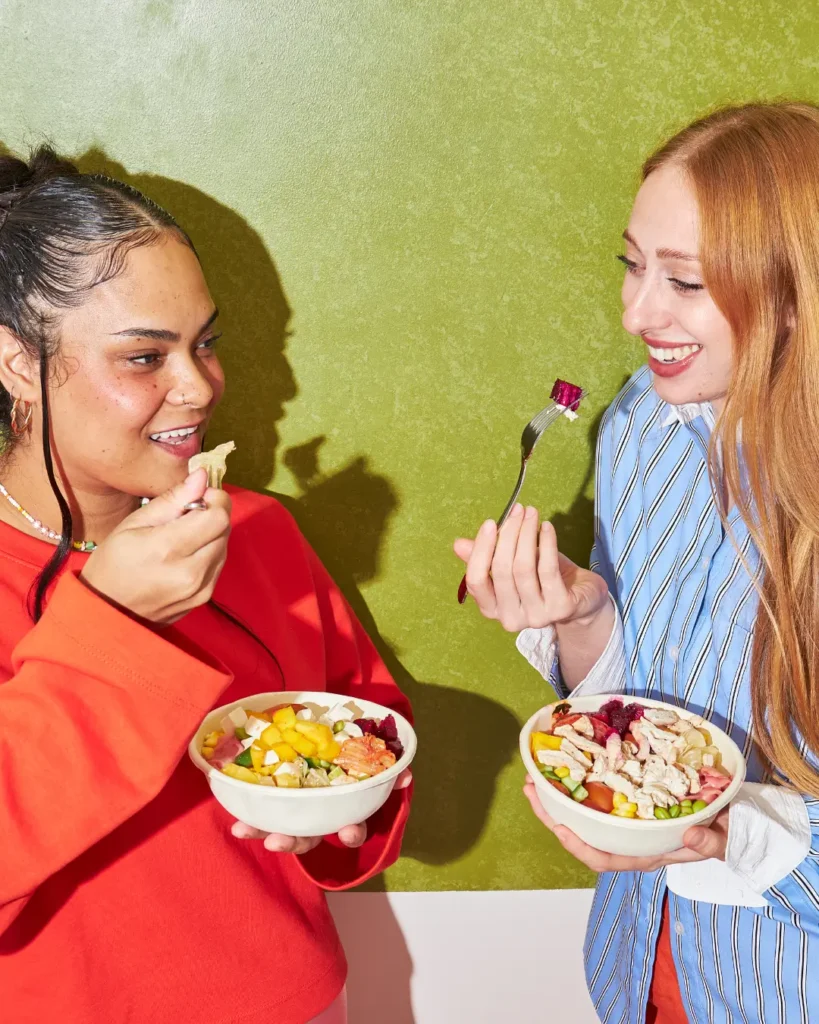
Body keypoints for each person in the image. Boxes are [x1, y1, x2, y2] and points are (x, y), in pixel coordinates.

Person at [0, 147, 412, 1024]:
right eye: (145, 357)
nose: (199, 387)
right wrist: (112, 623)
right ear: (16, 365)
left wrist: (343, 816)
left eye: (205, 343)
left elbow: (363, 720)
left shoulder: (259, 532)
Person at [455, 102, 819, 1023]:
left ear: (790, 294)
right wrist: (580, 615)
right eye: (631, 264)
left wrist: (737, 834)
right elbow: (641, 708)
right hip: (639, 960)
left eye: (683, 282)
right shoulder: (637, 426)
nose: (634, 313)